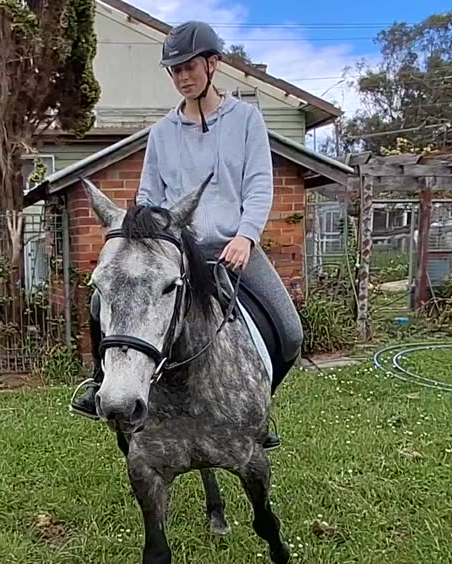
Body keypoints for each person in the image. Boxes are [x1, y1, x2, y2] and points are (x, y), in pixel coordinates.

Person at [68, 20, 304, 451]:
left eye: (189, 66)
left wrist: (246, 236)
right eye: (174, 70)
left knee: (290, 332)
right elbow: (148, 197)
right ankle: (101, 382)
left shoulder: (247, 121)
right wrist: (153, 240)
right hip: (175, 253)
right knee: (103, 301)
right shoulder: (161, 134)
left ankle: (256, 408)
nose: (182, 76)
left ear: (213, 64)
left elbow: (259, 185)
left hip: (234, 249)